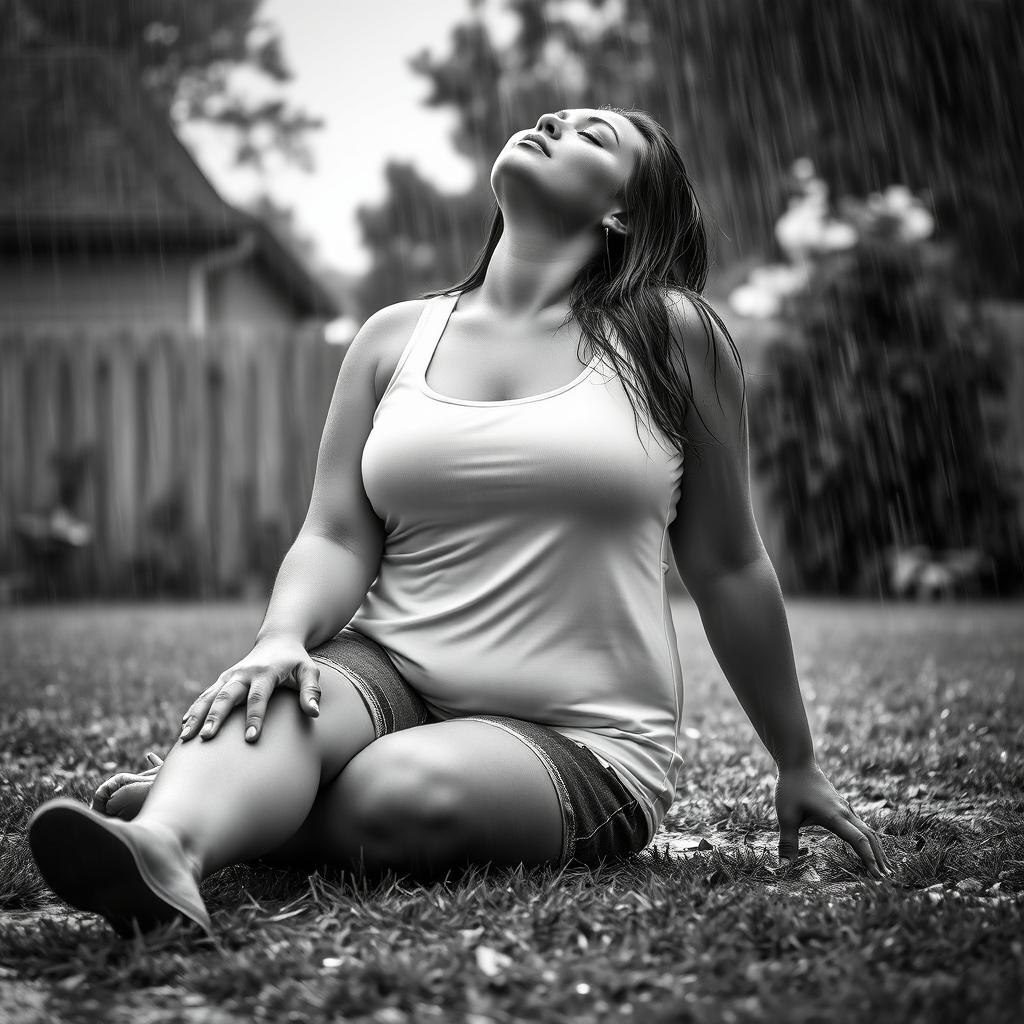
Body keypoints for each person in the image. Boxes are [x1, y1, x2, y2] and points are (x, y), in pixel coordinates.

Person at [28, 106, 892, 939]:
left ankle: (233, 800)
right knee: (278, 698)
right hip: (395, 671)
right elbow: (334, 533)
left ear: (624, 211)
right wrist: (282, 637)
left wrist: (797, 760)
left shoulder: (676, 339)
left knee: (394, 794)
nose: (553, 121)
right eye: (554, 114)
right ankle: (166, 846)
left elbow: (729, 563)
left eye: (592, 133)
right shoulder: (391, 338)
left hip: (581, 735)